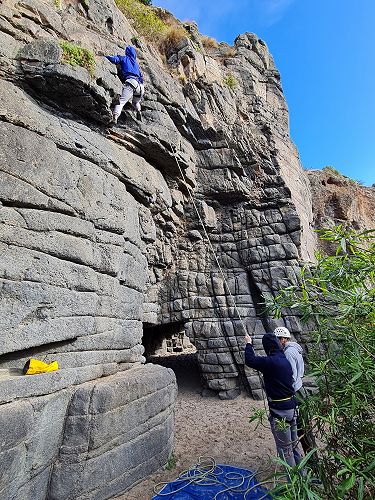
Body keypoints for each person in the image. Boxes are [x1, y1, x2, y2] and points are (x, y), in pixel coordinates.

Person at [244, 333, 303, 468]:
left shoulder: (270, 362)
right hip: (292, 408)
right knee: (294, 446)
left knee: (285, 450)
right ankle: (302, 477)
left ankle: (293, 486)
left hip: (280, 412)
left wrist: (248, 343)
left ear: (267, 347)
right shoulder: (283, 358)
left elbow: (250, 360)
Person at [274, 326, 316, 456]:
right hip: (300, 389)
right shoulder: (294, 349)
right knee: (304, 427)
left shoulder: (288, 353)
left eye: (276, 340)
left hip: (296, 393)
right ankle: (311, 458)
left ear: (282, 339)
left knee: (302, 428)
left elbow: (291, 375)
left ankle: (311, 460)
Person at [104, 46, 144, 123]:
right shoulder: (136, 65)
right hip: (141, 87)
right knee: (136, 102)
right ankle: (139, 111)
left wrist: (105, 57)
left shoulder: (124, 58)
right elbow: (141, 78)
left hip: (131, 82)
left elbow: (114, 59)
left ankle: (114, 118)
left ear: (127, 52)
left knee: (121, 102)